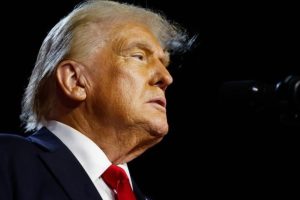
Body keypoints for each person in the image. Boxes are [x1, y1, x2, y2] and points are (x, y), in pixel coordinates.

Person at [0, 0, 193, 199]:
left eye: (164, 64)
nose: (166, 78)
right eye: (139, 57)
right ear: (75, 81)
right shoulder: (8, 161)